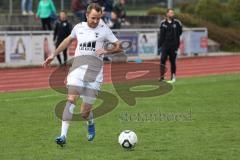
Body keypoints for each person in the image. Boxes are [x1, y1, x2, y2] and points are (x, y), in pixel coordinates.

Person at [43, 3, 122, 147]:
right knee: (71, 99)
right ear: (86, 15)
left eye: (98, 18)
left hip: (94, 75)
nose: (96, 21)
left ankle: (90, 122)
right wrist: (53, 54)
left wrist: (106, 51)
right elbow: (68, 40)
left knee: (85, 112)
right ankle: (63, 136)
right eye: (93, 18)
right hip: (77, 71)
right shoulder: (78, 27)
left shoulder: (104, 28)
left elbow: (119, 45)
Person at [159, 8, 182, 83]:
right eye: (171, 13)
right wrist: (159, 45)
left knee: (172, 61)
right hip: (165, 46)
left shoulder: (177, 23)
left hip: (173, 46)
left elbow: (180, 32)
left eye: (173, 13)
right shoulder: (162, 23)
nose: (172, 14)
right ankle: (162, 77)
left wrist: (176, 43)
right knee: (162, 60)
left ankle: (173, 77)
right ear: (167, 14)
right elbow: (161, 35)